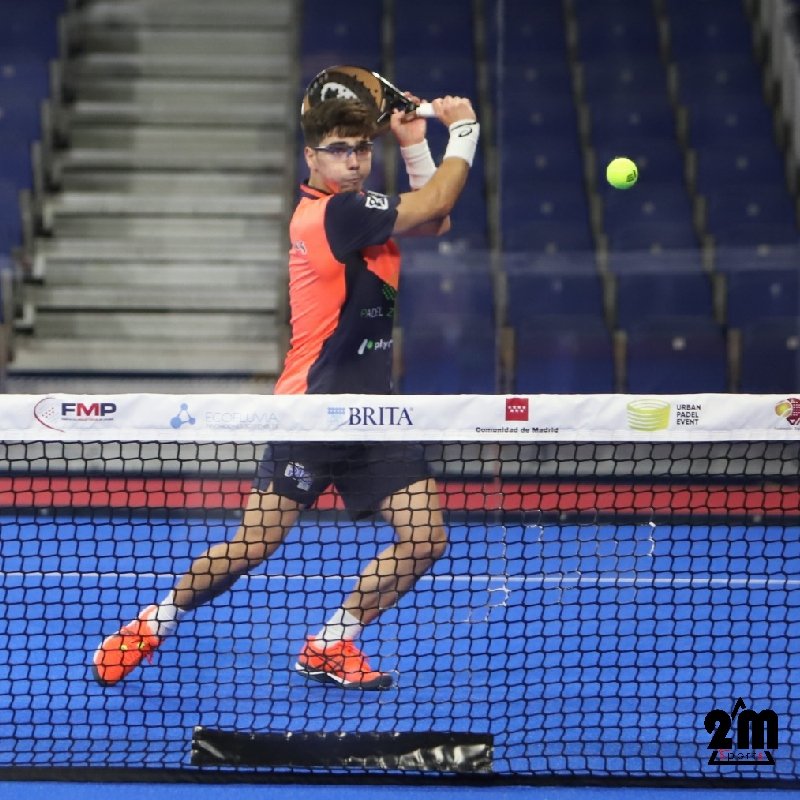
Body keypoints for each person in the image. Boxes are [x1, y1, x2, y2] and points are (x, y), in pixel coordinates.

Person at [92, 93, 480, 691]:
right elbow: (440, 200)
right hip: (314, 409)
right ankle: (152, 622)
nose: (353, 160)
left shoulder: (361, 210)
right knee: (253, 545)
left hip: (373, 414)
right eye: (339, 150)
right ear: (312, 156)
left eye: (361, 149)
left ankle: (331, 642)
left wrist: (410, 141)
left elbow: (434, 221)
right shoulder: (336, 213)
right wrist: (464, 129)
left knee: (426, 537)